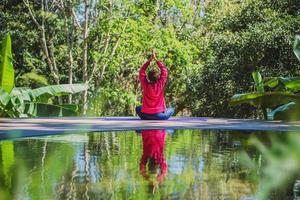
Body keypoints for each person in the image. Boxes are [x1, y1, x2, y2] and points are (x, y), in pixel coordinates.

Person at [136, 52, 174, 120]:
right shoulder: (160, 83)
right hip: (160, 116)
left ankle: (149, 116)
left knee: (138, 108)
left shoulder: (145, 84)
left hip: (145, 115)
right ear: (158, 77)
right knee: (172, 109)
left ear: (148, 77)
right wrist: (156, 60)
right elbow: (164, 71)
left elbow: (141, 71)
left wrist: (149, 61)